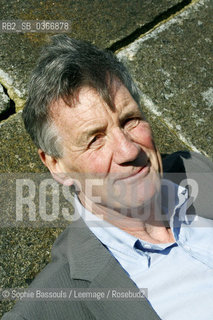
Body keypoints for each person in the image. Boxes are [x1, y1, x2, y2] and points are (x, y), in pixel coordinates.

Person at [3, 35, 213, 320]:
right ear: (56, 165)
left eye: (130, 121)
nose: (128, 150)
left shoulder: (198, 170)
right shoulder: (52, 305)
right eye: (95, 139)